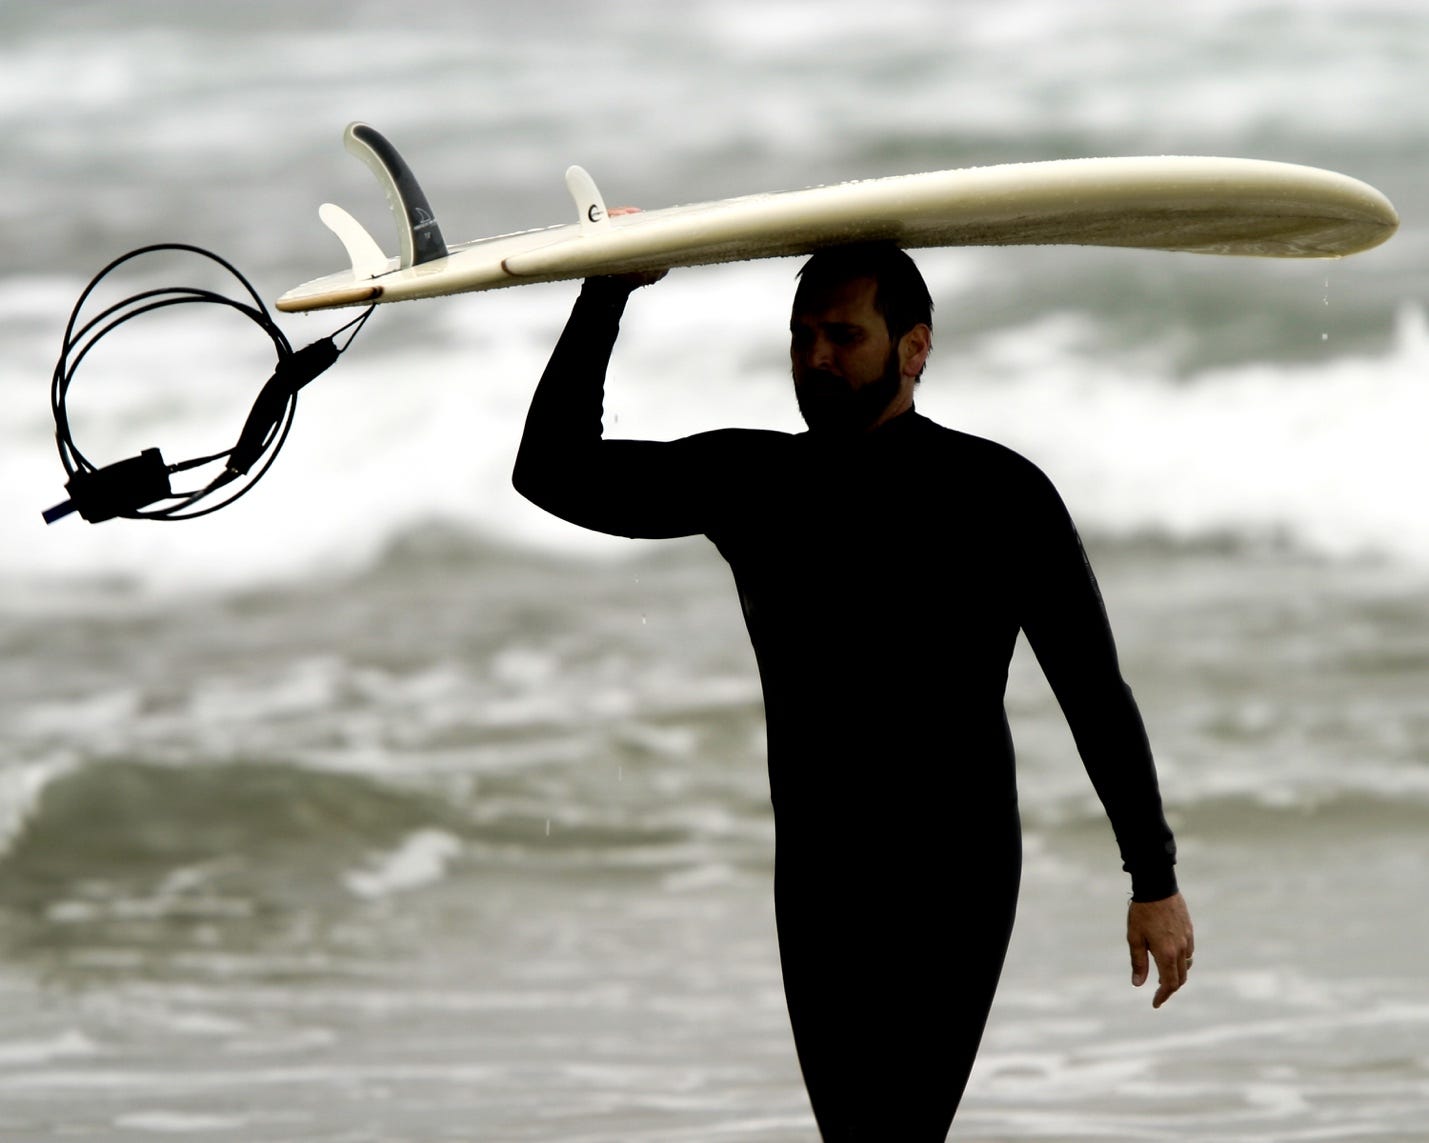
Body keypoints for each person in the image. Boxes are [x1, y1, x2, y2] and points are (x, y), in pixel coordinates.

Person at [513, 242, 1194, 1141]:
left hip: (953, 870)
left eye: (843, 335)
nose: (816, 358)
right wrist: (606, 294)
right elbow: (552, 470)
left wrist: (1152, 876)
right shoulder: (755, 482)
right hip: (821, 871)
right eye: (801, 337)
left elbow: (1092, 690)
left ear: (914, 347)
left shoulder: (1000, 494)